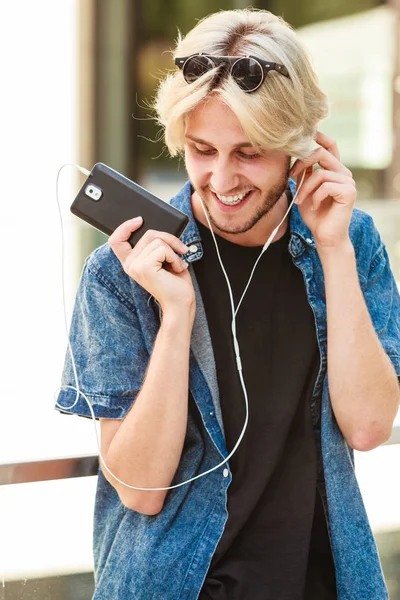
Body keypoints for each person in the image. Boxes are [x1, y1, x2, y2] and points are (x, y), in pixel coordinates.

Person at [55, 8, 400, 600]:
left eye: (250, 152)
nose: (221, 178)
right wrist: (175, 319)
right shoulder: (121, 272)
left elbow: (369, 427)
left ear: (302, 147)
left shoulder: (348, 240)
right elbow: (139, 489)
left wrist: (335, 247)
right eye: (201, 149)